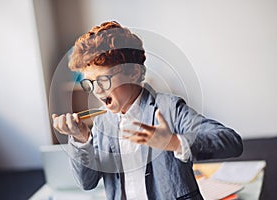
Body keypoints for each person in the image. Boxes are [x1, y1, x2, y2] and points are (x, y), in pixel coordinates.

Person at [52, 21, 243, 200]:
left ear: (134, 73)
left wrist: (174, 142)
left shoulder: (169, 108)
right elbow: (86, 183)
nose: (97, 91)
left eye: (103, 80)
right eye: (90, 83)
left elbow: (231, 141)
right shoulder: (102, 122)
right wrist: (81, 139)